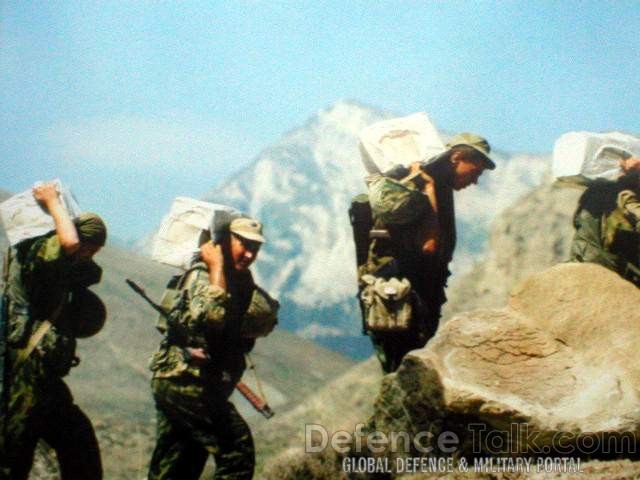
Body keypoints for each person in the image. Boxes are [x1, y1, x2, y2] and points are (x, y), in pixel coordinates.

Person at [148, 216, 279, 480]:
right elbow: (212, 317)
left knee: (178, 466)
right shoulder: (204, 275)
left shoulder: (240, 280)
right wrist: (216, 266)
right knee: (237, 452)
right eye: (243, 244)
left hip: (190, 383)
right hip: (186, 381)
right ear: (223, 242)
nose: (249, 253)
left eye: (255, 248)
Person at [357, 133, 495, 373]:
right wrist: (429, 189)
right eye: (476, 171)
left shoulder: (440, 185)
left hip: (411, 295)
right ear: (457, 157)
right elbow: (429, 246)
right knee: (404, 370)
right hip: (401, 297)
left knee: (404, 367)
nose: (475, 180)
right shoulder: (420, 183)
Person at [0, 182, 107, 479]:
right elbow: (70, 243)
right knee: (14, 450)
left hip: (44, 375)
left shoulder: (66, 266)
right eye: (91, 248)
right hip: (25, 370)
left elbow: (86, 267)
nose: (90, 255)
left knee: (78, 440)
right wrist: (53, 201)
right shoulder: (40, 254)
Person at [569, 155, 640, 287]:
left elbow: (576, 222)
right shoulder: (625, 196)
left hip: (581, 258)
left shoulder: (593, 191)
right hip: (604, 269)